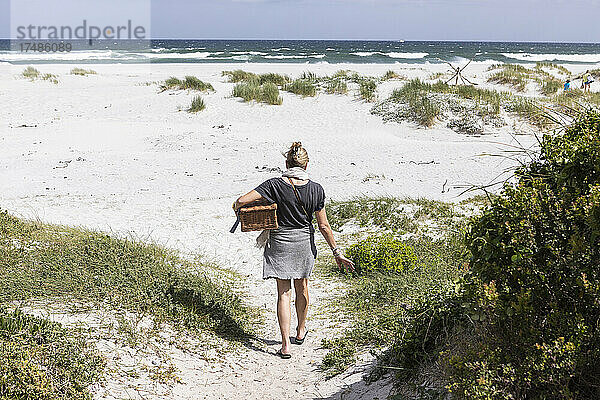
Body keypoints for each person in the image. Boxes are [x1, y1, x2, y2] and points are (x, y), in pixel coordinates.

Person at [234, 142, 355, 359]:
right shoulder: (316, 189)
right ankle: (300, 331)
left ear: (286, 163)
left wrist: (242, 208)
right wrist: (337, 252)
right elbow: (324, 226)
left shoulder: (273, 185)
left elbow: (242, 200)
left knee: (283, 293)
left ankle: (285, 344)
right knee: (303, 287)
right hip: (303, 242)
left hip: (280, 240)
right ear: (306, 165)